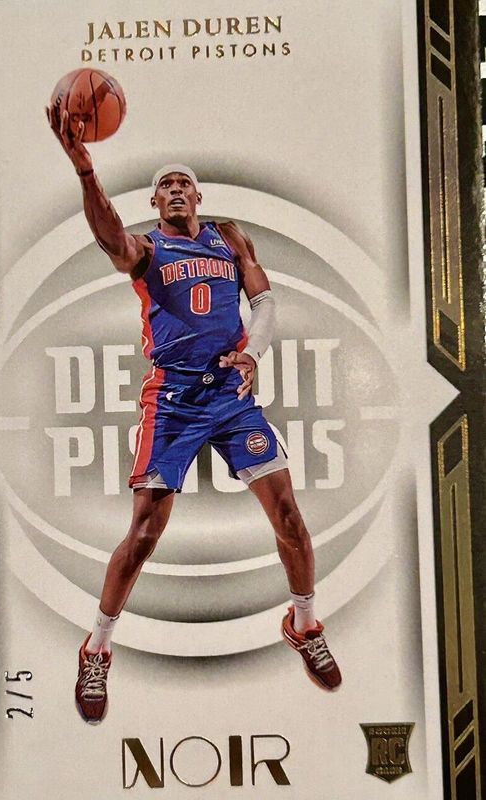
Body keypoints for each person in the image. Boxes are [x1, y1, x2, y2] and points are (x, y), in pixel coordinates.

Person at [47, 106, 342, 724]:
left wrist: (252, 352)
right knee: (145, 533)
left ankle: (304, 622)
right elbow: (109, 237)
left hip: (230, 395)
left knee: (288, 513)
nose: (176, 189)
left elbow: (264, 300)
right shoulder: (147, 248)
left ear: (198, 196)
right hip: (174, 400)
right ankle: (97, 647)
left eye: (185, 182)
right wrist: (85, 171)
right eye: (166, 185)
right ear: (155, 202)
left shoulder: (228, 236)